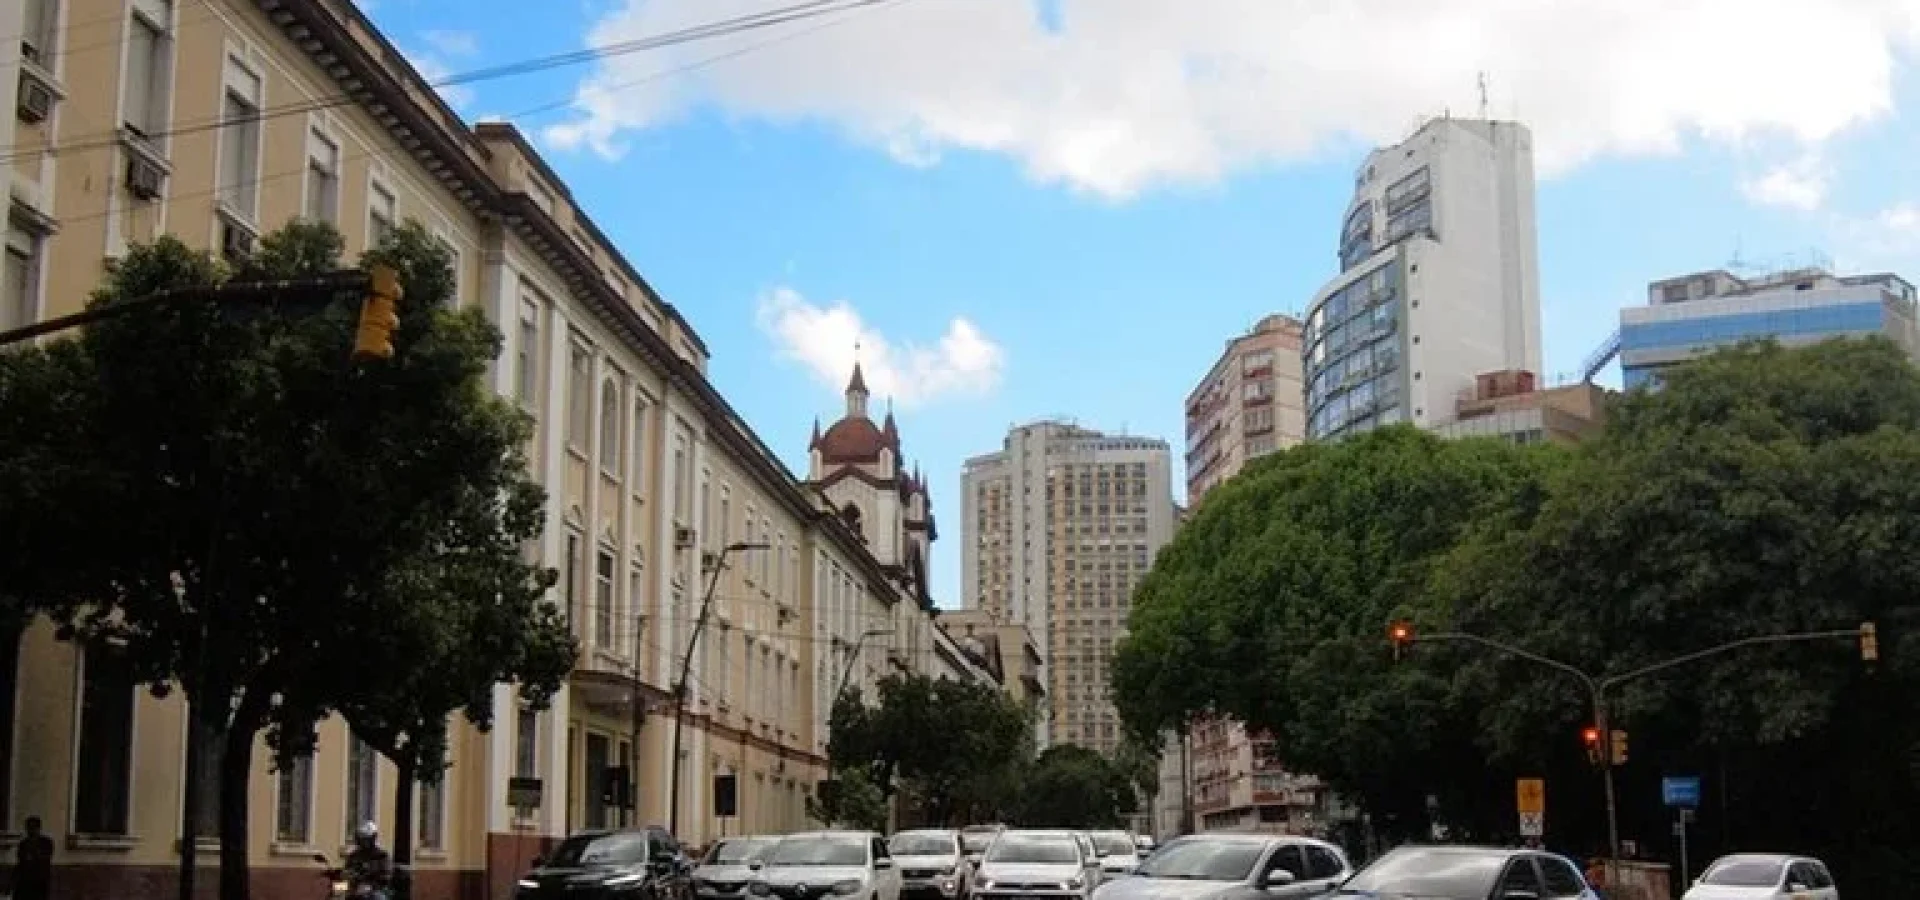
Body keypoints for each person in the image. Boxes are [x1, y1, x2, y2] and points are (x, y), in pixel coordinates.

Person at [346, 821, 395, 899]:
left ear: (372, 838)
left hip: (376, 889)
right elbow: (347, 868)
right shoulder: (354, 855)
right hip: (355, 888)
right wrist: (339, 873)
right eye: (360, 839)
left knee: (378, 897)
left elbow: (386, 875)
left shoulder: (382, 856)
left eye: (364, 839)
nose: (362, 842)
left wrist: (371, 885)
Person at [13, 815, 53, 900]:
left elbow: (45, 858)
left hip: (39, 881)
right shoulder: (23, 844)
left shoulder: (46, 842)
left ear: (38, 829)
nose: (30, 831)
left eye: (33, 828)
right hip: (24, 882)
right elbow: (21, 861)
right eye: (28, 828)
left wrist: (34, 856)